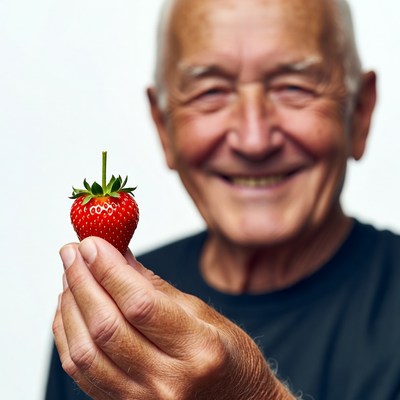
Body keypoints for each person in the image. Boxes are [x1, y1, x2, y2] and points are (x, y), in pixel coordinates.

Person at [45, 0, 400, 398]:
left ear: (362, 112)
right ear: (164, 128)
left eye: (294, 87)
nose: (253, 140)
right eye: (210, 92)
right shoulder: (104, 325)